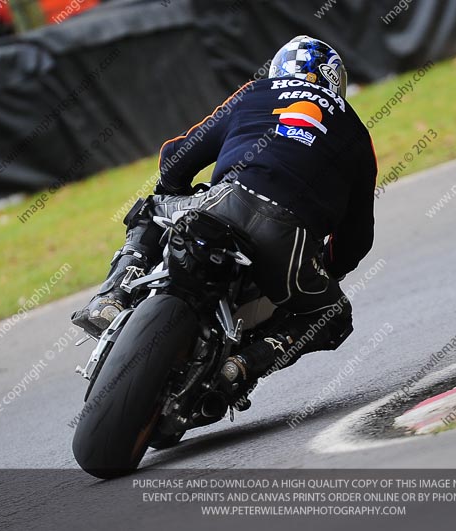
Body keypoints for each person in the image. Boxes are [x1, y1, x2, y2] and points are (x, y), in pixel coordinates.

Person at [72, 35, 377, 406]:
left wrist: (176, 189)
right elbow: (357, 237)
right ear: (336, 82)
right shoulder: (357, 132)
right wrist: (327, 268)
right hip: (288, 237)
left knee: (152, 208)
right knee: (331, 315)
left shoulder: (255, 92)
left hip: (222, 202)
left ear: (280, 70)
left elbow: (176, 154)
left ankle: (112, 296)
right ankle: (244, 364)